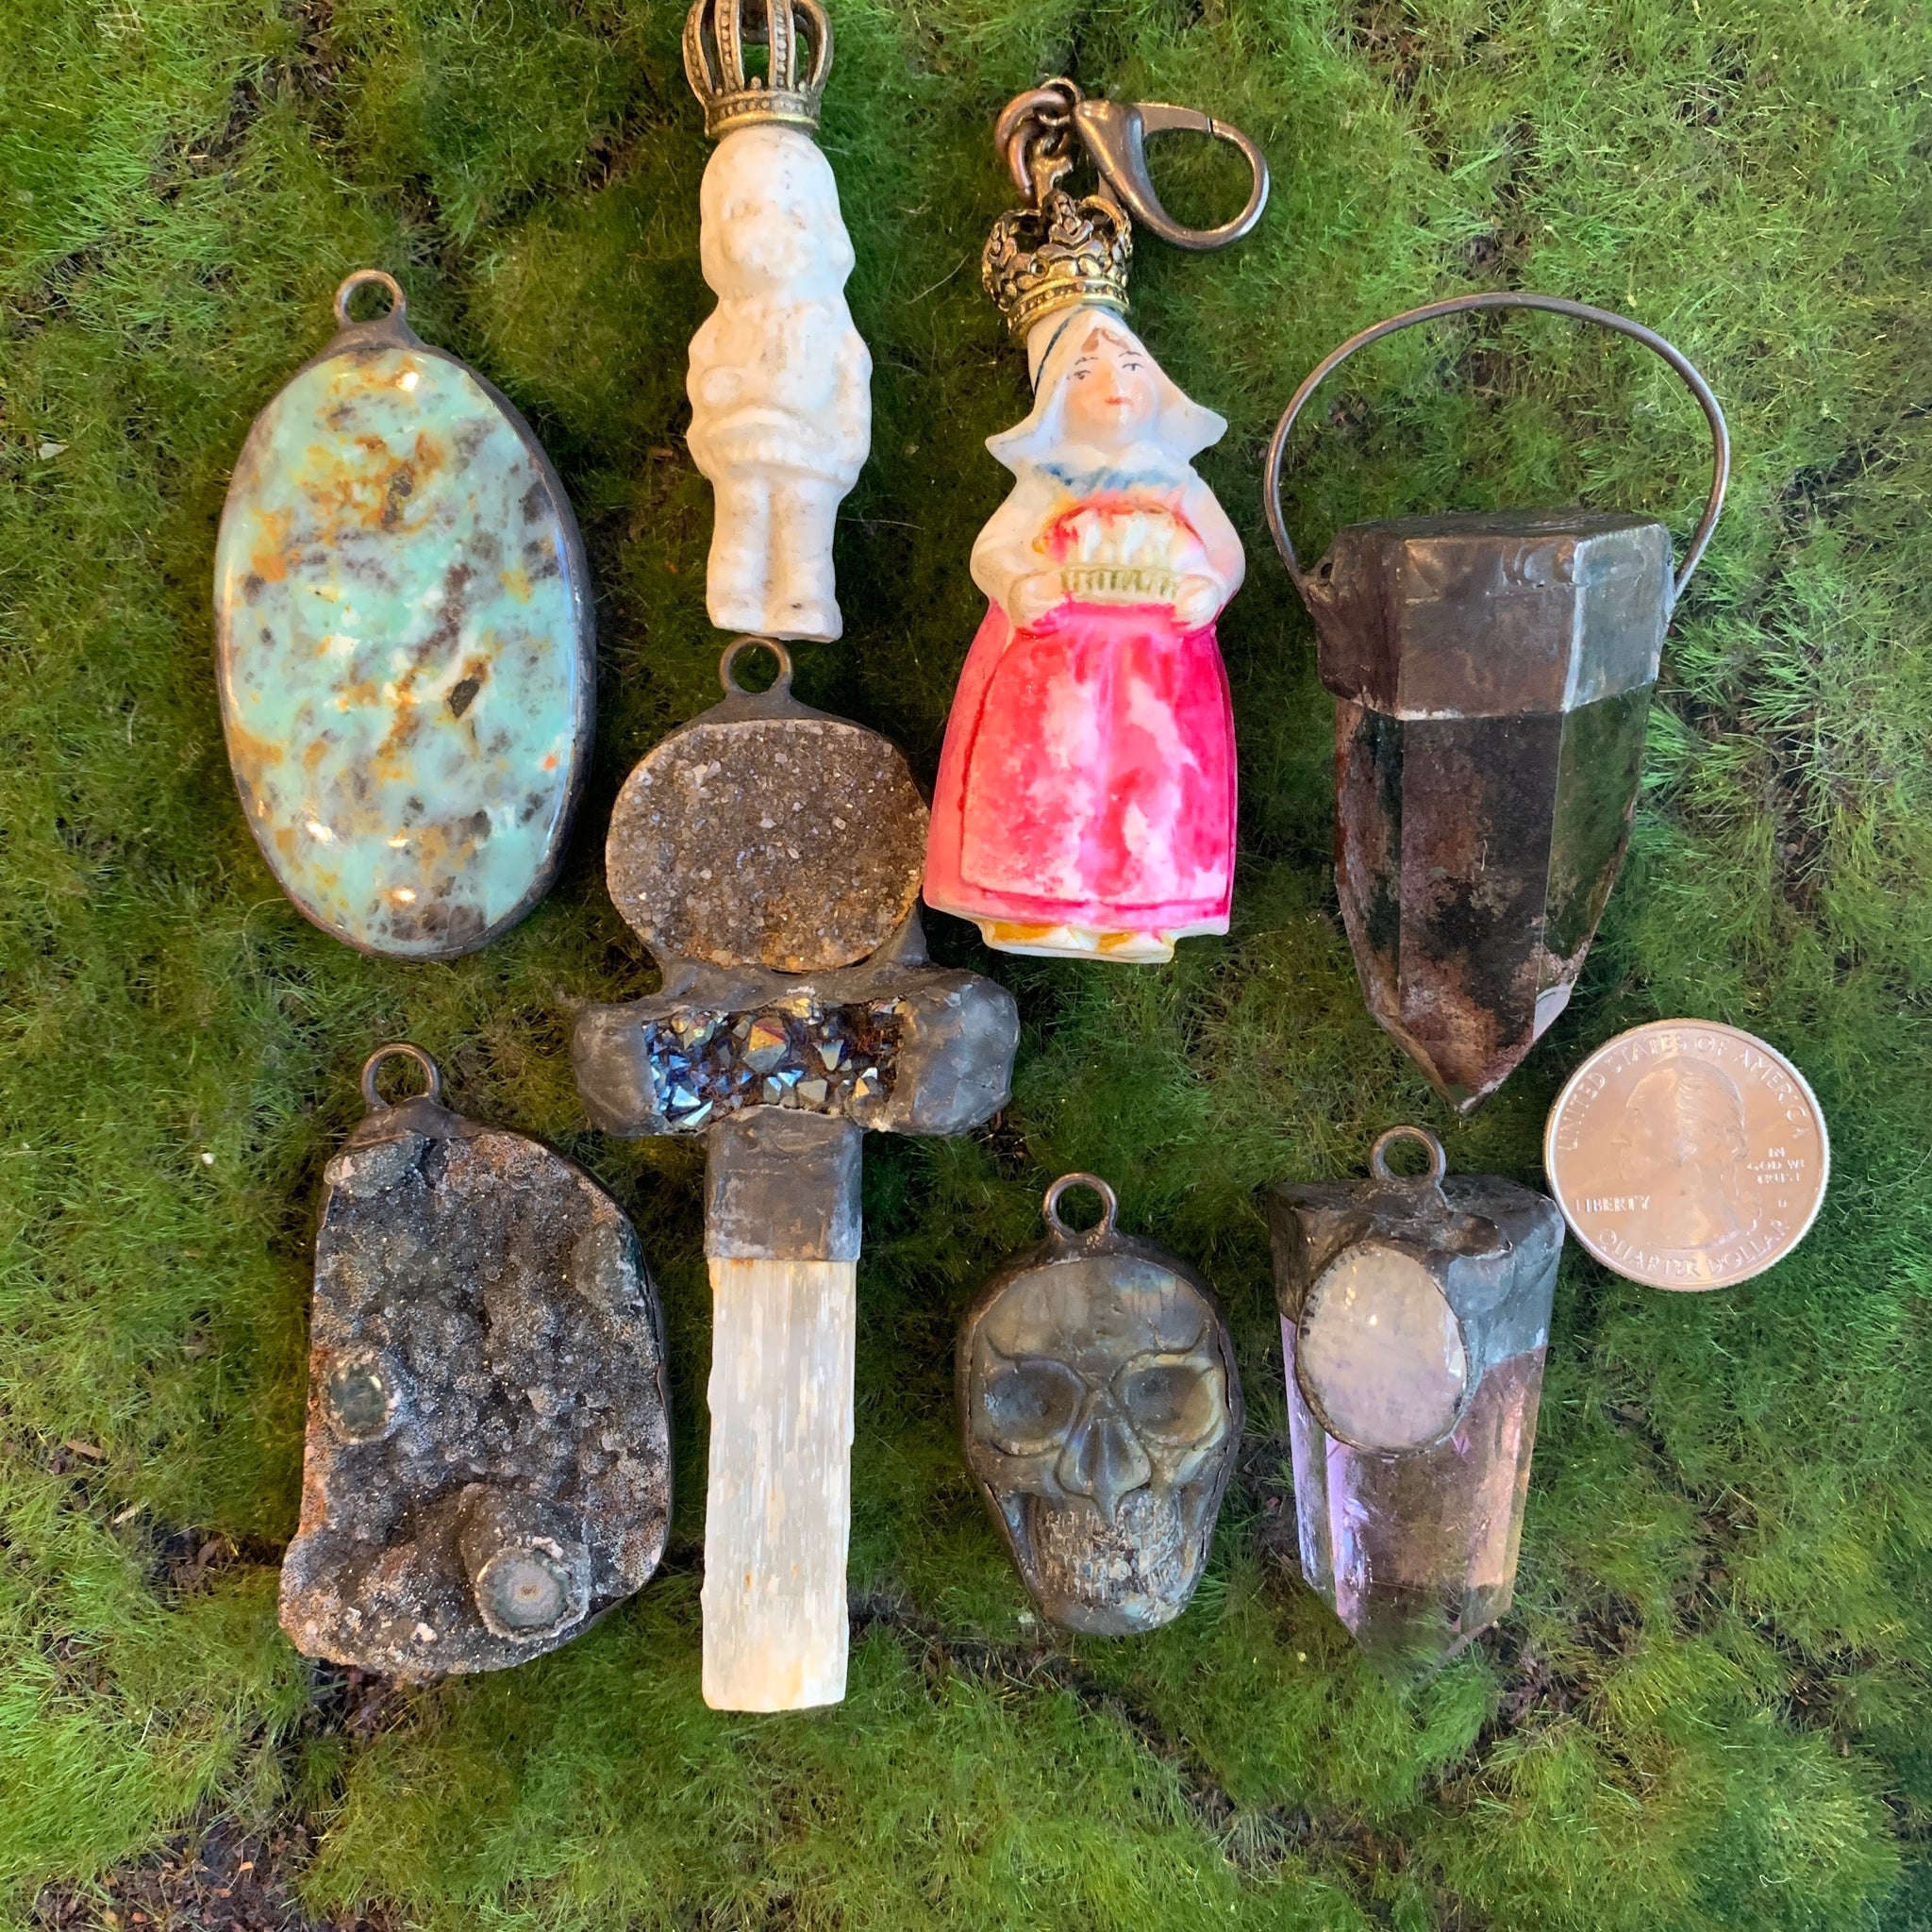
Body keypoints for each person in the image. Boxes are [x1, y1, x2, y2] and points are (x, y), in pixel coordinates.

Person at [924, 307, 1242, 961]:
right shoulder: (1049, 479)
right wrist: (1018, 585)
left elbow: (1225, 553)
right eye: (1084, 372)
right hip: (1056, 667)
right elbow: (994, 550)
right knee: (1055, 772)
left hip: (1159, 670)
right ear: (1056, 400)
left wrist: (1209, 588)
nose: (1113, 384)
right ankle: (1039, 905)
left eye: (1129, 366)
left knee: (1151, 778)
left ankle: (1143, 911)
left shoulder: (1177, 481)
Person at [686, 124, 871, 641]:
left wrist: (850, 439)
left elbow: (852, 379)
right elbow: (703, 382)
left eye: (792, 213)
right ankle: (734, 592)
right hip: (741, 444)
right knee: (742, 512)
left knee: (803, 515)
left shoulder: (830, 325)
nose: (769, 228)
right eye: (745, 210)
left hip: (811, 449)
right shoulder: (721, 327)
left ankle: (805, 598)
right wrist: (712, 406)